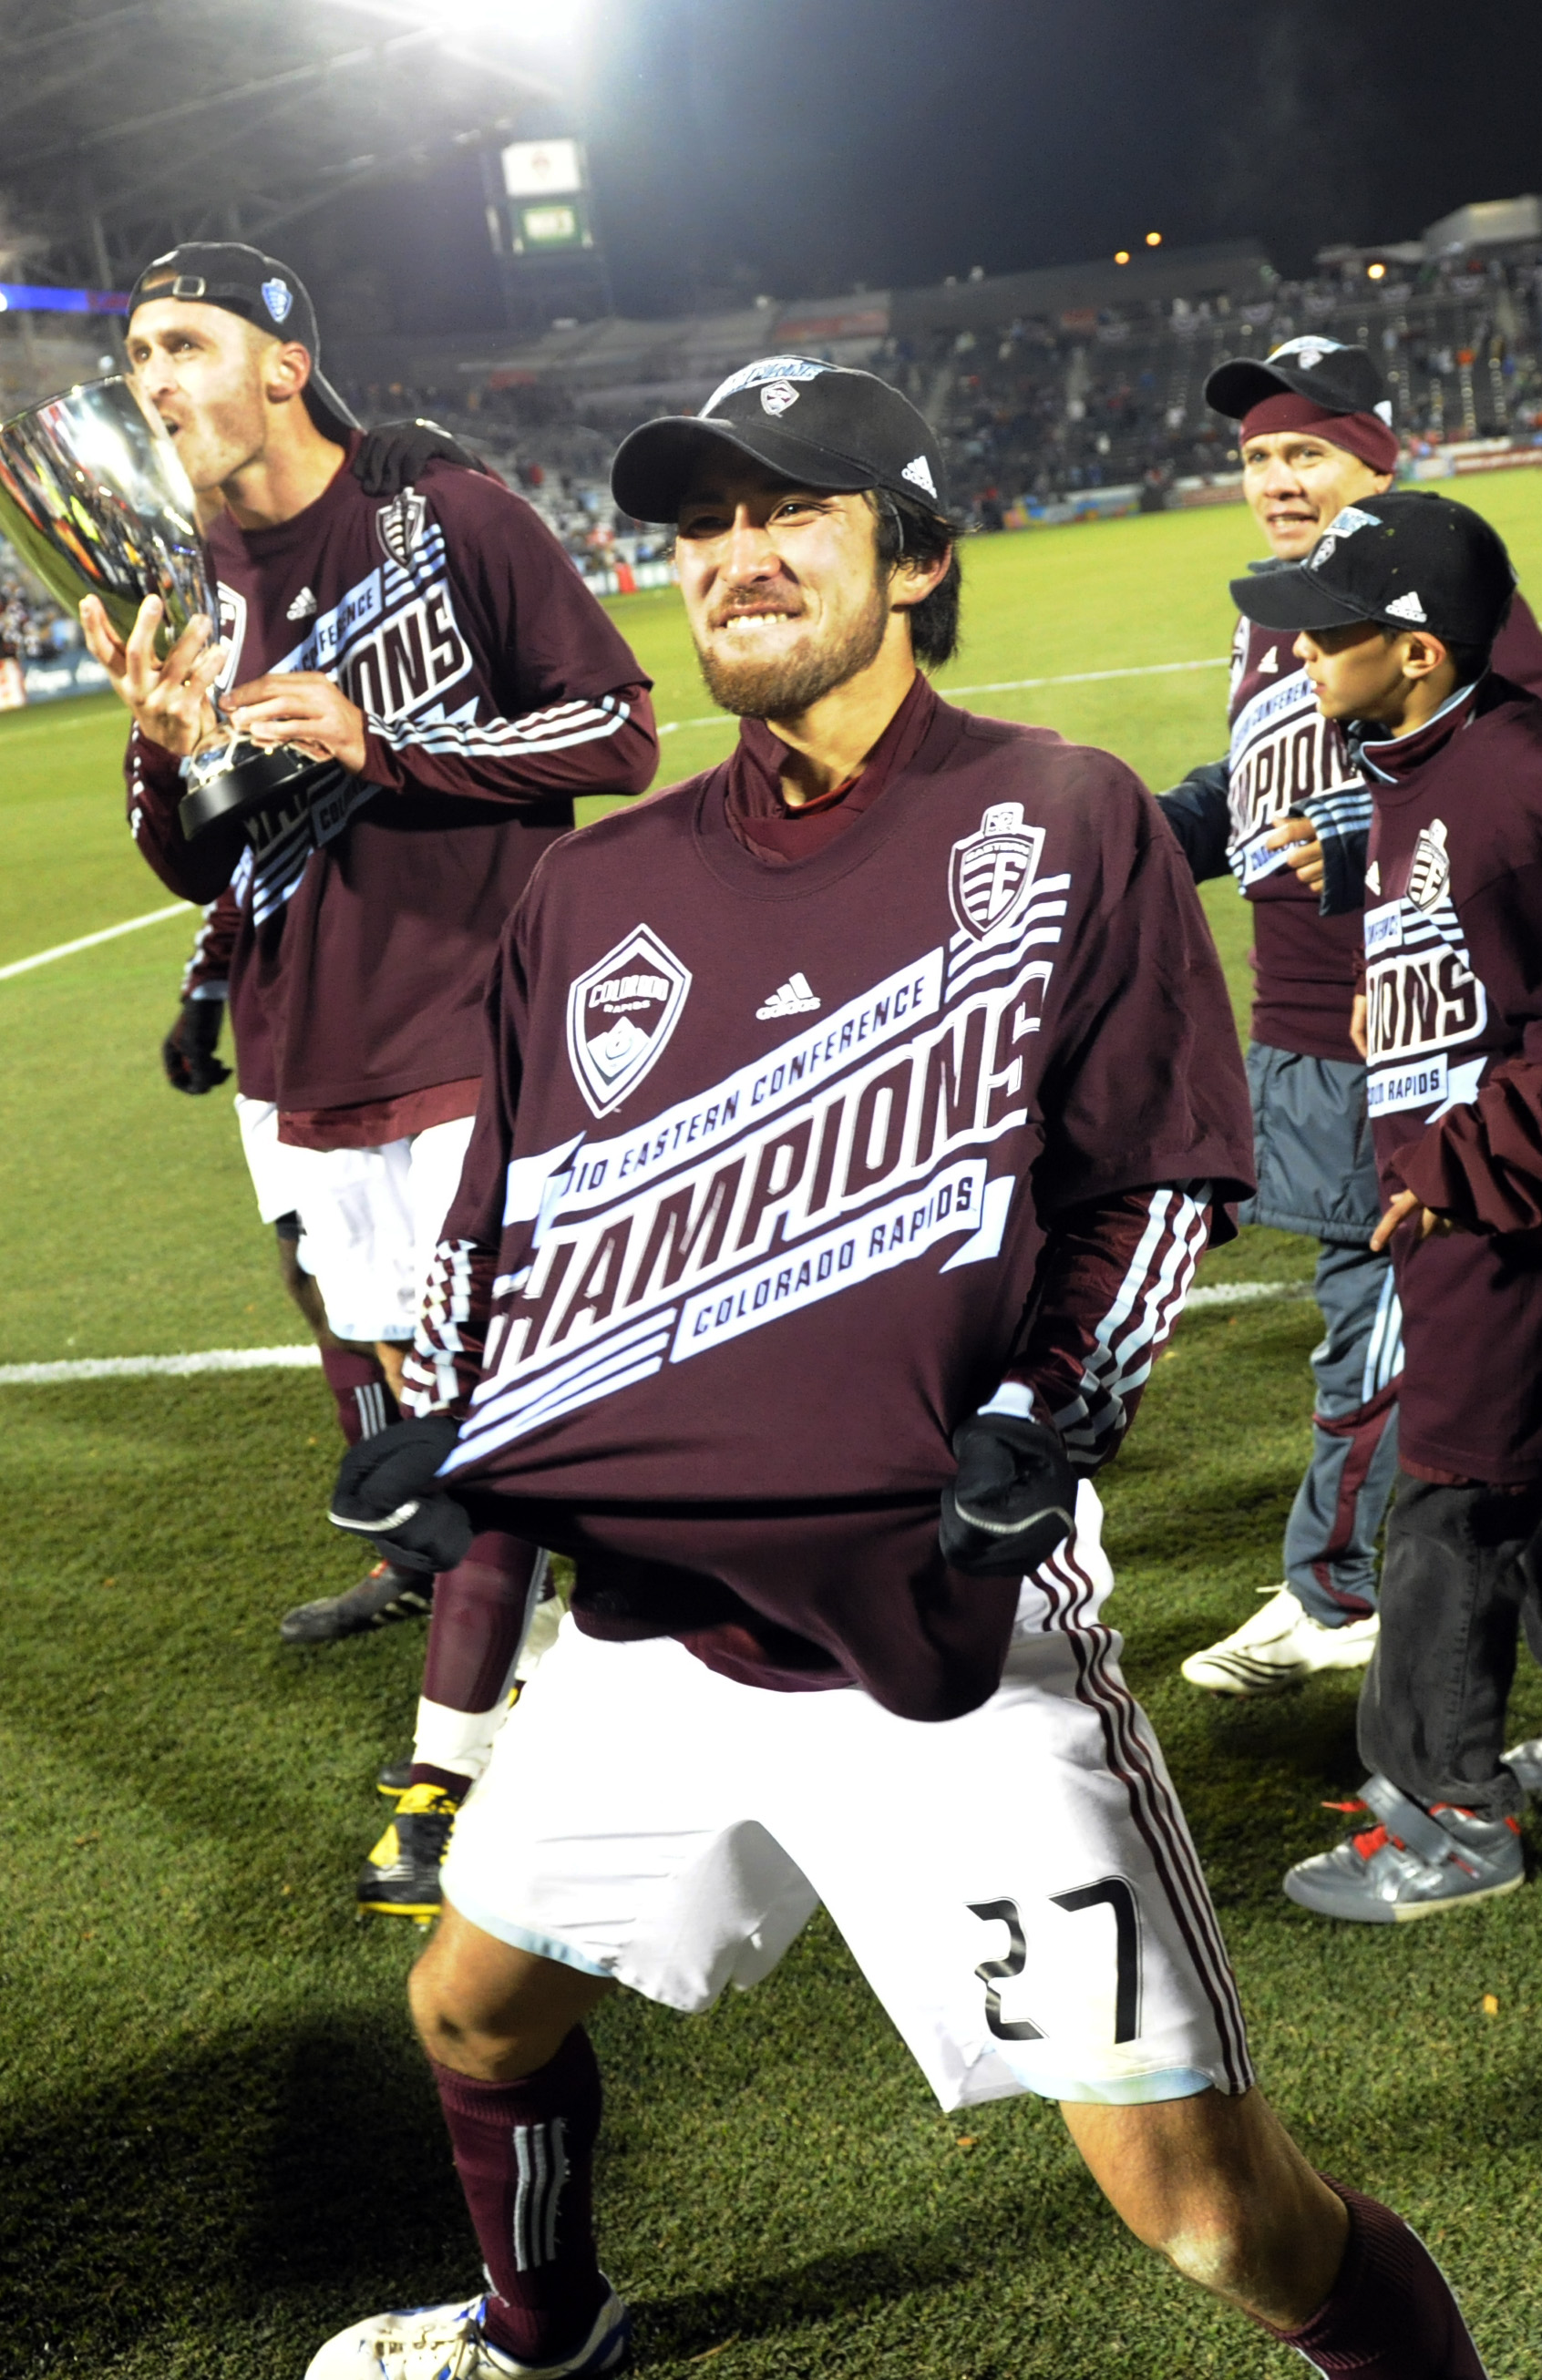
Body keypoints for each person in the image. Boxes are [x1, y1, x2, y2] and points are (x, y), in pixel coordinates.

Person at [307, 360, 1488, 2379]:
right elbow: (507, 1228)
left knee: (1211, 2214)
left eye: (796, 511)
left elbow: (1154, 1176)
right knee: (468, 2009)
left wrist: (1055, 1413)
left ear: (915, 557)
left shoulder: (1061, 816)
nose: (737, 557)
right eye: (699, 527)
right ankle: (541, 2329)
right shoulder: (592, 888)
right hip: (652, 1633)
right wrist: (442, 1411)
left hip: (941, 1636)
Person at [77, 242, 658, 1899]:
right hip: (300, 1047)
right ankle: (529, 1631)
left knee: (484, 1409)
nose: (156, 381)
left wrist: (381, 742)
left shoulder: (444, 511)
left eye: (182, 343)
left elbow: (615, 732)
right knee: (416, 1406)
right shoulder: (174, 572)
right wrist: (169, 751)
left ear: (281, 360)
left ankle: (449, 1776)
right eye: (134, 358)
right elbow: (187, 863)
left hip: (474, 1023)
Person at [1160, 338, 1542, 1698]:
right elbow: (1250, 778)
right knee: (1365, 1314)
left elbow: (1510, 774)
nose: (1274, 479)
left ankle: (1339, 1592)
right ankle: (1339, 1576)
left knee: (1390, 1327)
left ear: (1377, 457)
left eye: (1305, 452)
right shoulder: (1278, 609)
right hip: (1302, 1033)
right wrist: (1148, 841)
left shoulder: (1449, 591)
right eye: (1258, 456)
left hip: (1412, 1042)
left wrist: (1355, 825)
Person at [1218, 491, 1542, 1921]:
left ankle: (1449, 1814)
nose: (1299, 655)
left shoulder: (1509, 783)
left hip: (1497, 1220)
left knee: (1451, 1501)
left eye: (1328, 631)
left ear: (1417, 650)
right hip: (1474, 1202)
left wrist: (1445, 1167)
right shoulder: (1426, 762)